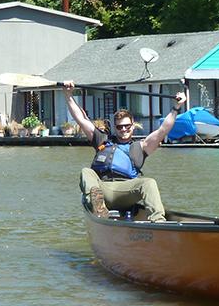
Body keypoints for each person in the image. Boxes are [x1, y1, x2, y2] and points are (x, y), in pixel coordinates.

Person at [63, 82, 187, 222]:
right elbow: (81, 119)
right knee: (86, 171)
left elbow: (163, 130)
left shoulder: (141, 146)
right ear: (115, 128)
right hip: (101, 188)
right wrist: (68, 94)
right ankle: (99, 208)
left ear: (133, 126)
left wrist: (176, 107)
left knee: (148, 182)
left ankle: (158, 221)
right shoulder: (102, 140)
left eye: (127, 126)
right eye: (120, 127)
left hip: (125, 191)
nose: (123, 129)